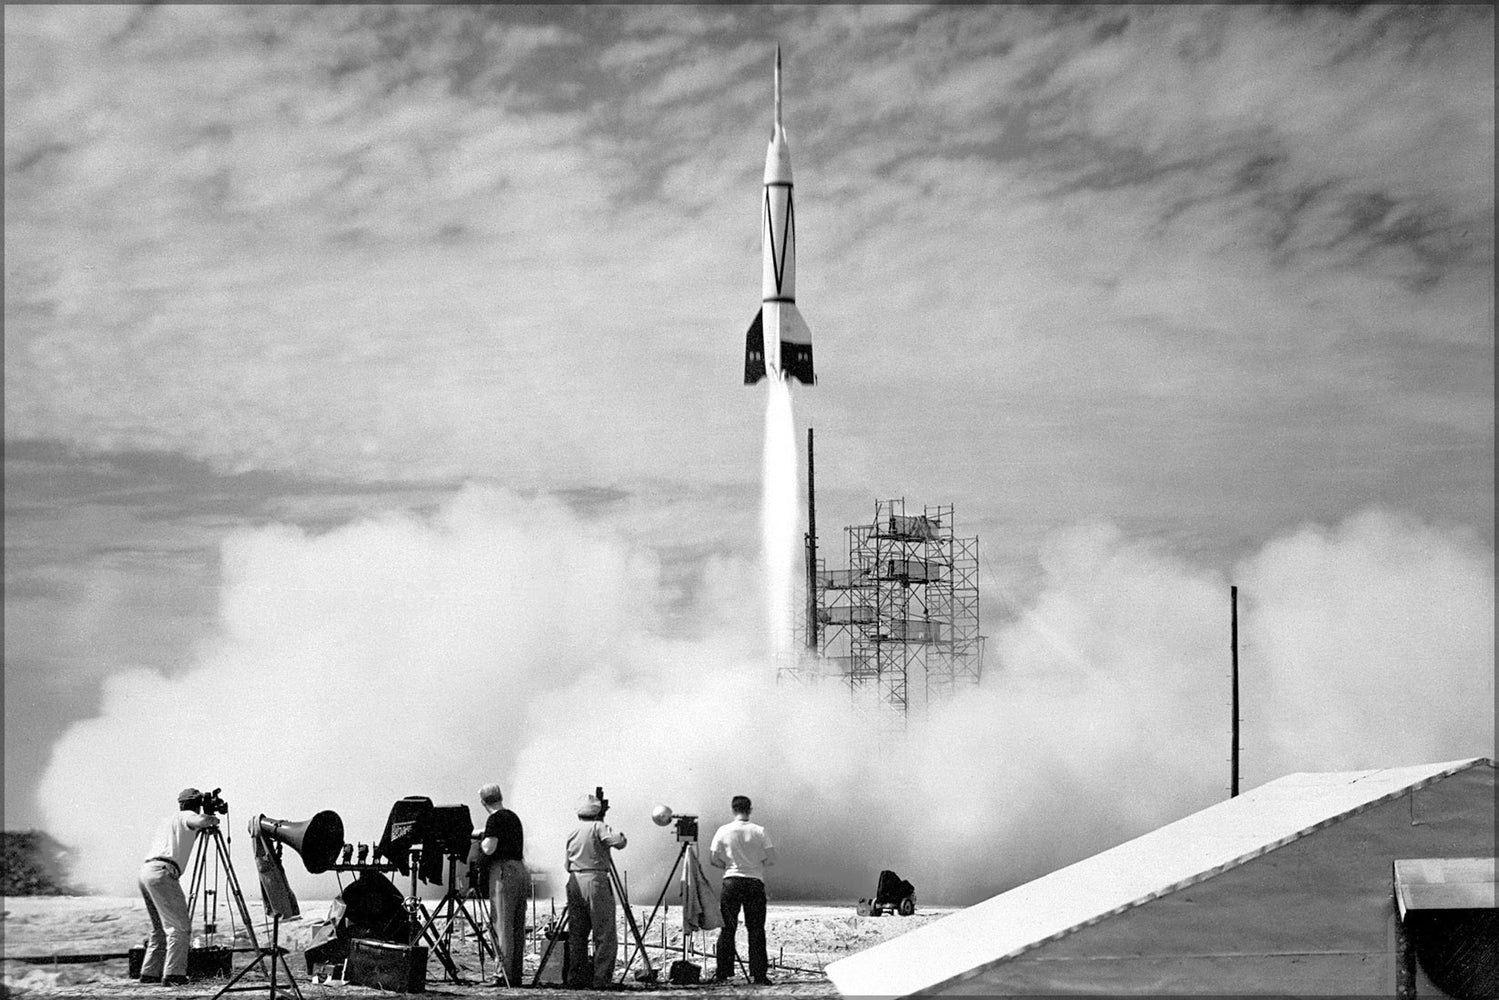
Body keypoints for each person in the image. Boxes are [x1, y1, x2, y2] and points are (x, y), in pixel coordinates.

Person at [138, 788, 220, 986]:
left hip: (147, 870)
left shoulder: (170, 819)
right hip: (162, 873)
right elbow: (201, 822)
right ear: (196, 804)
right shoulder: (187, 816)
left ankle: (149, 973)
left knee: (159, 929)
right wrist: (211, 818)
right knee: (180, 927)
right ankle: (174, 975)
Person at [709, 795, 777, 985]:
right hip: (754, 881)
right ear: (750, 810)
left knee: (728, 928)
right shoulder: (759, 831)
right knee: (756, 929)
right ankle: (759, 974)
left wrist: (730, 866)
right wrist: (754, 864)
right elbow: (771, 858)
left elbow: (713, 858)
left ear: (733, 810)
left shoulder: (723, 831)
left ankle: (723, 972)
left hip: (731, 881)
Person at [564, 792, 626, 988]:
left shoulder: (573, 831)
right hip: (595, 879)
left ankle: (576, 978)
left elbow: (566, 863)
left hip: (575, 880)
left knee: (578, 933)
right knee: (604, 931)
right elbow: (618, 842)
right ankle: (601, 978)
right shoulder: (598, 827)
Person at [477, 783, 530, 987]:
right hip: (519, 869)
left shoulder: (494, 819)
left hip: (503, 871)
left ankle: (502, 974)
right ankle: (514, 973)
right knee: (517, 924)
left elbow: (490, 848)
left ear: (483, 802)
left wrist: (480, 843)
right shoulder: (512, 817)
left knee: (502, 924)